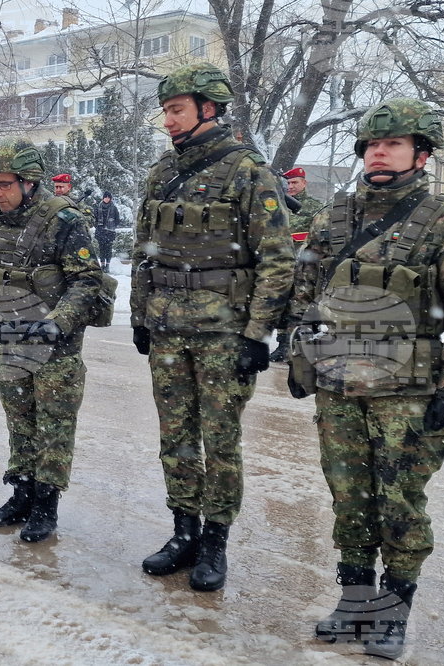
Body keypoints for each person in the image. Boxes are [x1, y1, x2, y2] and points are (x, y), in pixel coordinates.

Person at [287, 98, 444, 658]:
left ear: (420, 154)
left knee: (399, 502)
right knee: (349, 497)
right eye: (373, 144)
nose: (379, 151)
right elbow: (306, 293)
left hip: (410, 391)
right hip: (340, 386)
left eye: (394, 143)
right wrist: (301, 358)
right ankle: (354, 602)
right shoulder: (334, 217)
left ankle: (392, 612)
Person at [130, 62, 295, 591]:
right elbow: (144, 253)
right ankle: (183, 532)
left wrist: (258, 335)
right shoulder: (161, 173)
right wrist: (139, 317)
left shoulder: (249, 173)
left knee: (220, 442)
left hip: (225, 333)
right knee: (174, 437)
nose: (168, 121)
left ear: (209, 108)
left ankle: (215, 543)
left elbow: (277, 261)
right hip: (167, 330)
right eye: (166, 111)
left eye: (176, 110)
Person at [0, 137, 104, 543]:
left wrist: (59, 323)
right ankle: (21, 496)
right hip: (11, 338)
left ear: (29, 182)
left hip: (56, 344)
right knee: (20, 421)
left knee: (53, 426)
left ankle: (45, 507)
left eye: (4, 184)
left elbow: (87, 280)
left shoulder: (64, 220)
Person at [269, 168, 326, 362]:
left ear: (304, 183)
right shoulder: (275, 204)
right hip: (280, 264)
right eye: (289, 183)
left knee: (299, 306)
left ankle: (295, 347)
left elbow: (316, 238)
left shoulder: (314, 208)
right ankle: (283, 344)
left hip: (303, 266)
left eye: (295, 183)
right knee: (281, 306)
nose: (291, 187)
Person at [93, 192, 120, 271]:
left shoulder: (114, 208)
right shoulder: (98, 207)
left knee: (108, 249)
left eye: (108, 197)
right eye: (105, 197)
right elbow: (95, 218)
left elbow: (117, 219)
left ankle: (107, 265)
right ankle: (102, 264)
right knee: (102, 249)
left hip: (110, 232)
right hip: (100, 231)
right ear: (103, 198)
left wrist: (112, 226)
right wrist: (97, 226)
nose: (107, 199)